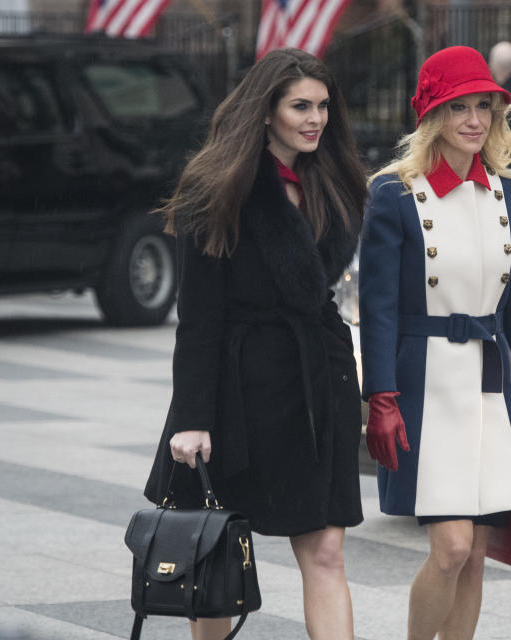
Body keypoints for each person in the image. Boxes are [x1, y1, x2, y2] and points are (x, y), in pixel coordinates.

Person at [143, 48, 368, 640]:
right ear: (266, 111)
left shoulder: (335, 180)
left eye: (323, 106)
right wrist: (191, 419)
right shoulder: (216, 185)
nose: (315, 118)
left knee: (325, 553)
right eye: (300, 106)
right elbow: (197, 317)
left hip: (316, 387)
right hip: (237, 394)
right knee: (213, 551)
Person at [359, 45, 511, 640]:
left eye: (484, 107)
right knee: (452, 546)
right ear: (432, 116)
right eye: (458, 107)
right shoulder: (394, 194)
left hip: (491, 384)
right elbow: (378, 309)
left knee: (477, 552)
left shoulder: (505, 191)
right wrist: (381, 395)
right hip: (426, 385)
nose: (474, 120)